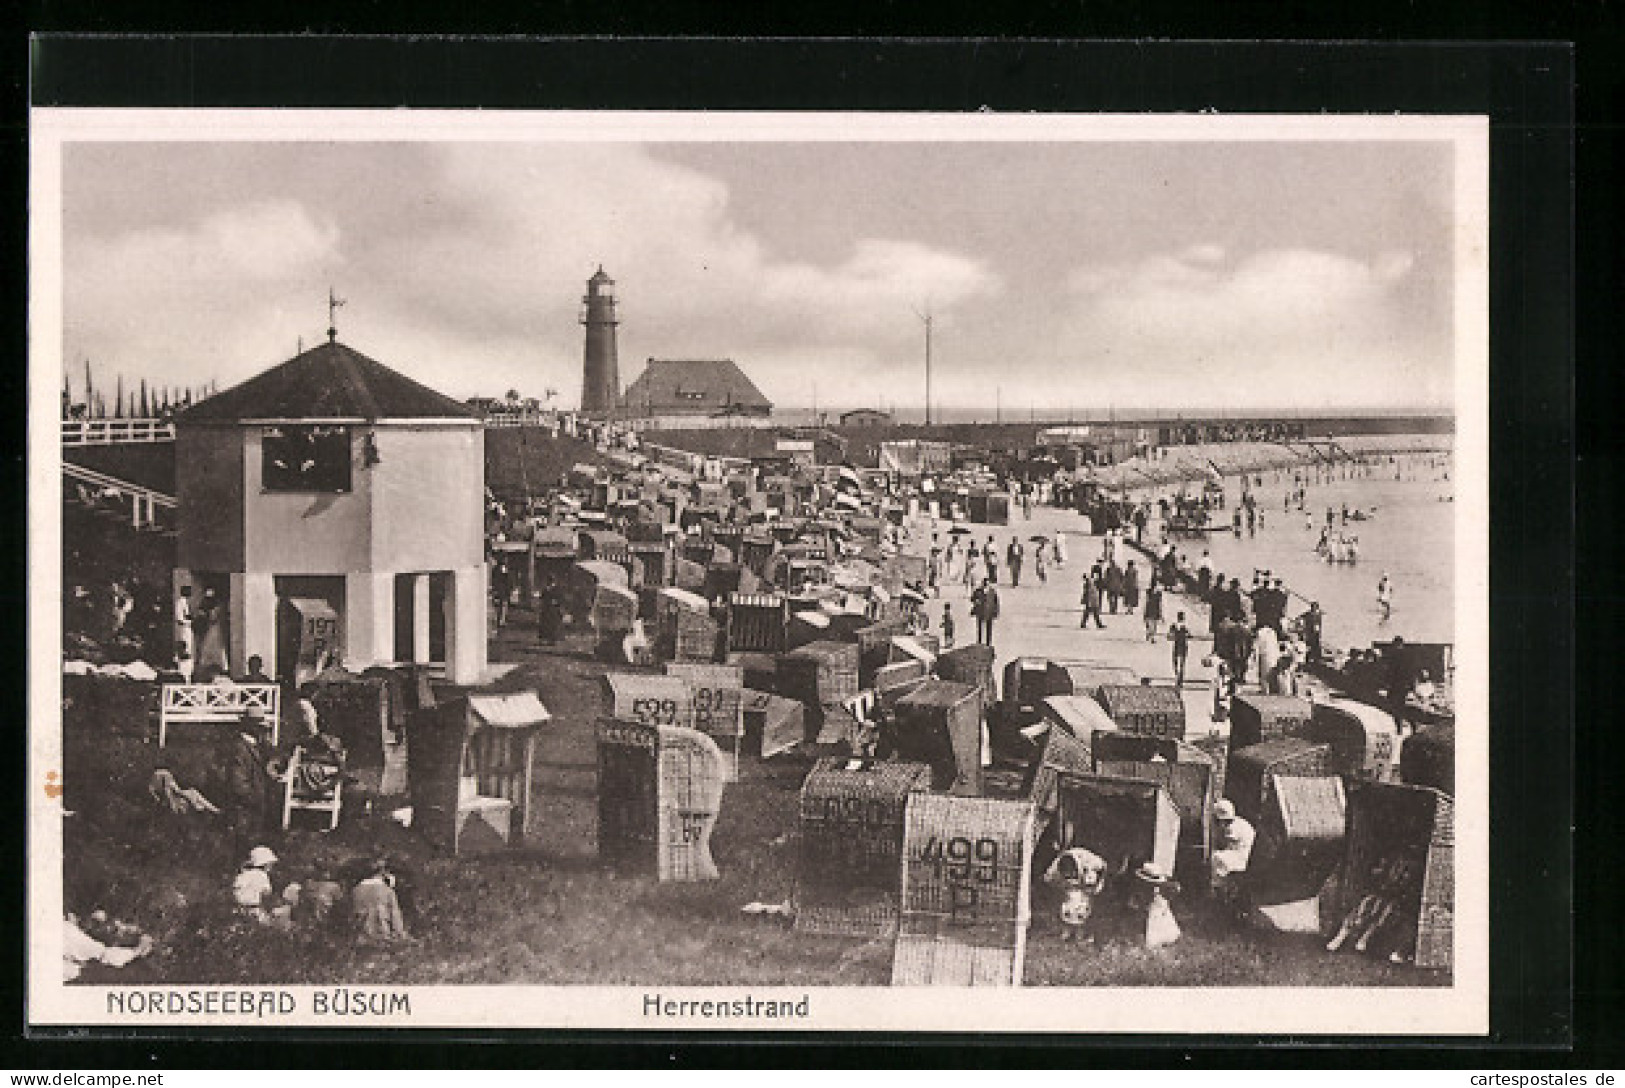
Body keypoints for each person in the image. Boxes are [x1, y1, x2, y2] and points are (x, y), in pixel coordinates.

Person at [218, 708, 279, 847]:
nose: (263, 731)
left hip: (255, 801)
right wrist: (253, 797)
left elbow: (272, 757)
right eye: (260, 727)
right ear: (251, 726)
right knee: (243, 839)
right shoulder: (239, 748)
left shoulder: (257, 744)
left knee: (253, 839)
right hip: (244, 806)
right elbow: (237, 782)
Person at [232, 845, 294, 927]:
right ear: (265, 864)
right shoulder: (261, 876)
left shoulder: (242, 875)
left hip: (238, 910)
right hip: (255, 911)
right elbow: (266, 894)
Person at [1210, 799, 1256, 907]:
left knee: (1216, 857)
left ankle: (1216, 889)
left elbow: (1228, 845)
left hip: (1241, 856)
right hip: (1246, 852)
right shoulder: (1240, 822)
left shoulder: (1231, 829)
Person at [353, 857, 410, 943]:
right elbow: (395, 917)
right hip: (381, 937)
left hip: (360, 939)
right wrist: (401, 936)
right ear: (384, 873)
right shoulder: (387, 890)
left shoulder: (356, 890)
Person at [970, 579, 1000, 646]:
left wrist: (996, 612)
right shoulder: (978, 591)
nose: (985, 586)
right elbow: (972, 599)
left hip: (989, 612)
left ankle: (988, 643)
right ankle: (979, 642)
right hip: (980, 612)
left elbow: (996, 602)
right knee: (980, 628)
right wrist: (976, 601)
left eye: (987, 584)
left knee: (989, 628)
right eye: (984, 584)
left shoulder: (992, 592)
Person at [536, 576, 566, 644]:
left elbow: (561, 598)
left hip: (554, 609)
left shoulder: (557, 589)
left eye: (552, 581)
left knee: (554, 624)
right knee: (546, 623)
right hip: (546, 608)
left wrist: (557, 602)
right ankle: (546, 638)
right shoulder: (545, 589)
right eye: (549, 581)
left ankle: (554, 639)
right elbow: (542, 598)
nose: (550, 583)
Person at [1169, 611, 1191, 687]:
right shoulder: (1185, 626)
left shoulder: (1174, 626)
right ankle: (1180, 677)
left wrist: (1173, 636)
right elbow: (1189, 635)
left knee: (1175, 661)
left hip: (1177, 645)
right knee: (1182, 662)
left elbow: (1170, 635)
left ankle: (1177, 675)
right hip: (1183, 645)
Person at [1143, 575, 1164, 643]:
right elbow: (1159, 602)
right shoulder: (1155, 593)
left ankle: (1151, 635)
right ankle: (1151, 635)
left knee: (1153, 623)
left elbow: (1147, 600)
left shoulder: (1152, 592)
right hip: (1153, 608)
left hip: (1152, 607)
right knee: (1152, 623)